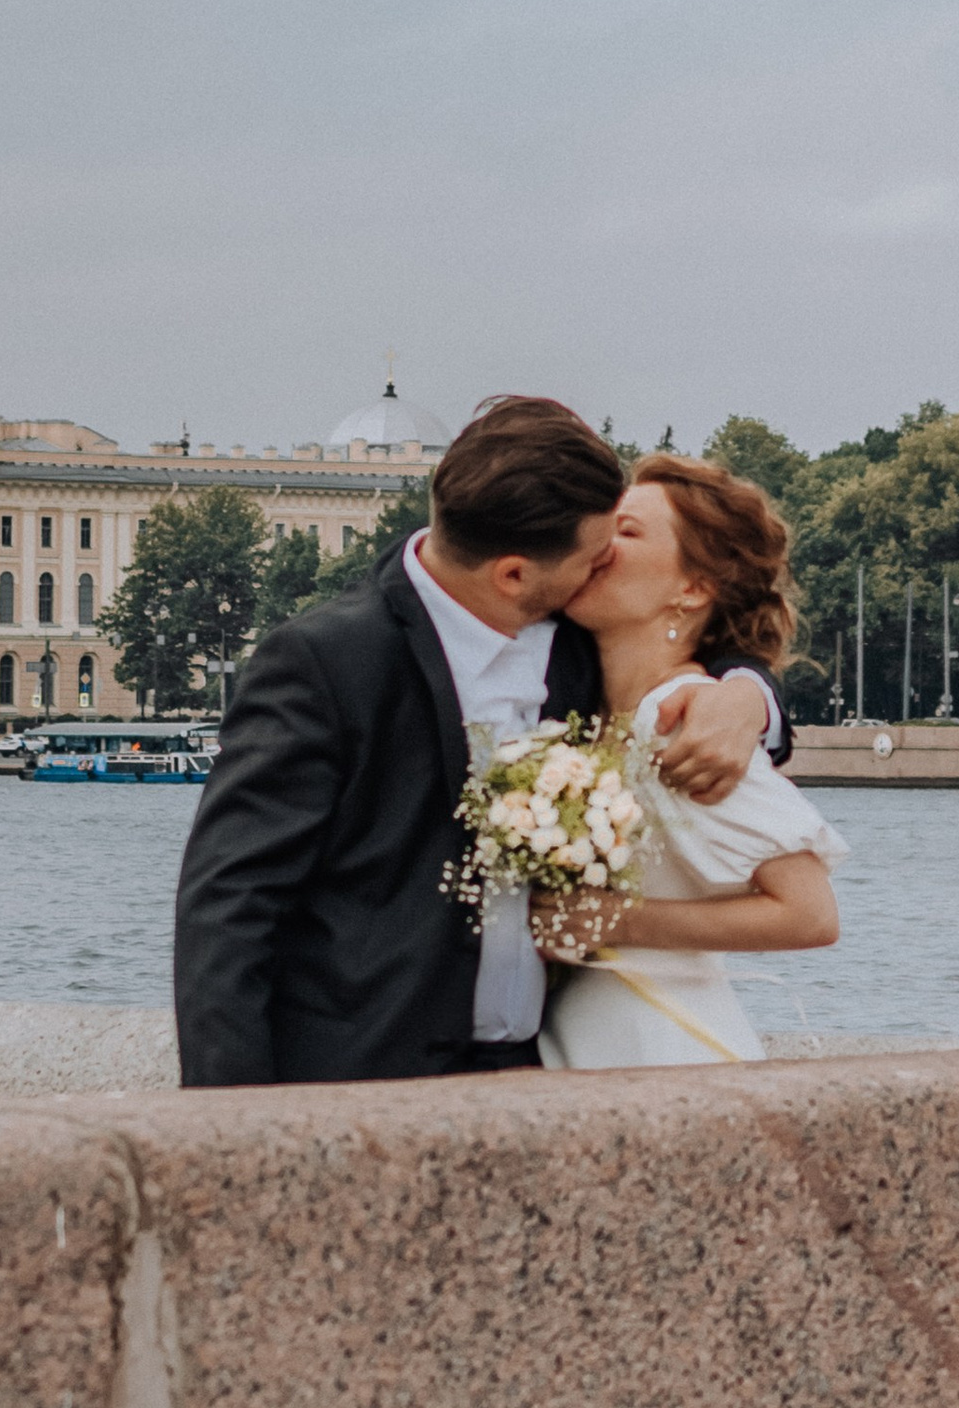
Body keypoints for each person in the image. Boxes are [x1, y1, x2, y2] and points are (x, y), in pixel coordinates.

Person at [173, 396, 790, 1085]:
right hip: (359, 1082)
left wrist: (749, 699)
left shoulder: (575, 642)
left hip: (534, 1070)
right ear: (514, 573)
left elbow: (708, 642)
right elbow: (228, 907)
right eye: (596, 555)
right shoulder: (324, 663)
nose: (606, 565)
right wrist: (227, 1125)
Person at [536, 455, 844, 1069]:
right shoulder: (588, 715)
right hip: (591, 1041)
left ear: (693, 589)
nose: (599, 542)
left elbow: (810, 913)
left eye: (627, 532)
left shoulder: (684, 720)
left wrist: (614, 922)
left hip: (664, 1046)